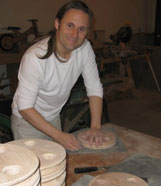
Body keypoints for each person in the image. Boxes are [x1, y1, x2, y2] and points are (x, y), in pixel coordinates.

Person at [11, 0, 104, 150]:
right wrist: (58, 135)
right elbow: (25, 107)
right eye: (70, 25)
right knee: (34, 169)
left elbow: (94, 87)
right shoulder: (35, 57)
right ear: (57, 24)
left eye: (81, 29)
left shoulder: (85, 49)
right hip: (27, 122)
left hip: (53, 118)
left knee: (55, 166)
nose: (75, 34)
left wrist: (95, 127)